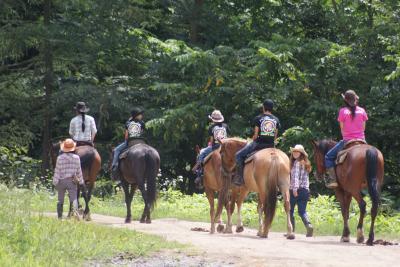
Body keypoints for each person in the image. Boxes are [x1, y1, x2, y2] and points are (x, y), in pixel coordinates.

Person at [324, 90, 368, 188]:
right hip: (362, 140)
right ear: (355, 99)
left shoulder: (342, 111)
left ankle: (333, 180)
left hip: (347, 141)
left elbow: (342, 129)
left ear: (346, 100)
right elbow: (363, 128)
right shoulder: (362, 111)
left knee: (328, 157)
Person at [233, 99, 280, 186]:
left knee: (238, 155)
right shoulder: (276, 119)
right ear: (272, 108)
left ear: (263, 107)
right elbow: (275, 137)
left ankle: (240, 178)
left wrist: (252, 139)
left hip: (259, 144)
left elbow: (255, 135)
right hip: (270, 145)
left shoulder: (258, 118)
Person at [194, 110, 229, 187]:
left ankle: (199, 173)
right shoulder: (225, 126)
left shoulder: (212, 127)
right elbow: (228, 137)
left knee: (202, 152)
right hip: (226, 147)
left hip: (215, 147)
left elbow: (212, 141)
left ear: (213, 120)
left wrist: (210, 144)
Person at [52, 139, 84, 220]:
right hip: (72, 181)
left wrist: (55, 182)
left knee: (60, 199)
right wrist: (81, 181)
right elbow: (79, 171)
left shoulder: (59, 158)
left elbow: (57, 171)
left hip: (61, 181)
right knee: (74, 198)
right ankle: (75, 214)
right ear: (73, 148)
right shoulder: (77, 158)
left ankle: (59, 217)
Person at [111, 107, 146, 180]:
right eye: (140, 114)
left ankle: (114, 166)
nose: (141, 116)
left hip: (130, 141)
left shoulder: (128, 123)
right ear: (136, 115)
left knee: (116, 150)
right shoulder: (142, 123)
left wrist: (126, 141)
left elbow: (126, 135)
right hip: (140, 140)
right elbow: (142, 133)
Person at [289, 144, 313, 237]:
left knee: (290, 210)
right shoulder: (306, 163)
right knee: (302, 211)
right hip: (305, 190)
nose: (295, 153)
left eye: (297, 151)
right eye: (294, 151)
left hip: (296, 190)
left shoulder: (297, 163)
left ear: (301, 153)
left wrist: (295, 189)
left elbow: (295, 177)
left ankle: (291, 230)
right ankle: (309, 225)